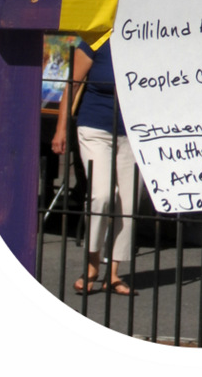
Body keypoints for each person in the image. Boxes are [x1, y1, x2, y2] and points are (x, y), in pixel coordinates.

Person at [51, 37, 137, 295]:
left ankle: (113, 273)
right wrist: (60, 129)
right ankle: (92, 264)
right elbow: (73, 85)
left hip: (135, 134)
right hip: (95, 128)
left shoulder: (149, 40)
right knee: (102, 195)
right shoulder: (97, 41)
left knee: (129, 204)